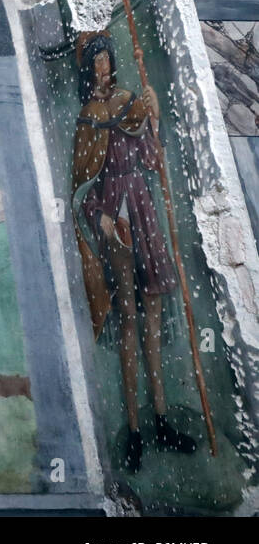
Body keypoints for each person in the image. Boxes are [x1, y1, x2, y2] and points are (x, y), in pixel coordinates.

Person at [70, 31, 197, 472]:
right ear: (88, 71)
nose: (103, 67)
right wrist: (101, 217)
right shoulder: (88, 116)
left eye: (107, 58)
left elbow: (153, 161)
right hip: (115, 223)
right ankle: (135, 430)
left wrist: (154, 118)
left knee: (154, 315)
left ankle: (161, 418)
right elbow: (82, 187)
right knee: (128, 318)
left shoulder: (129, 102)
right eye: (96, 62)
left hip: (142, 210)